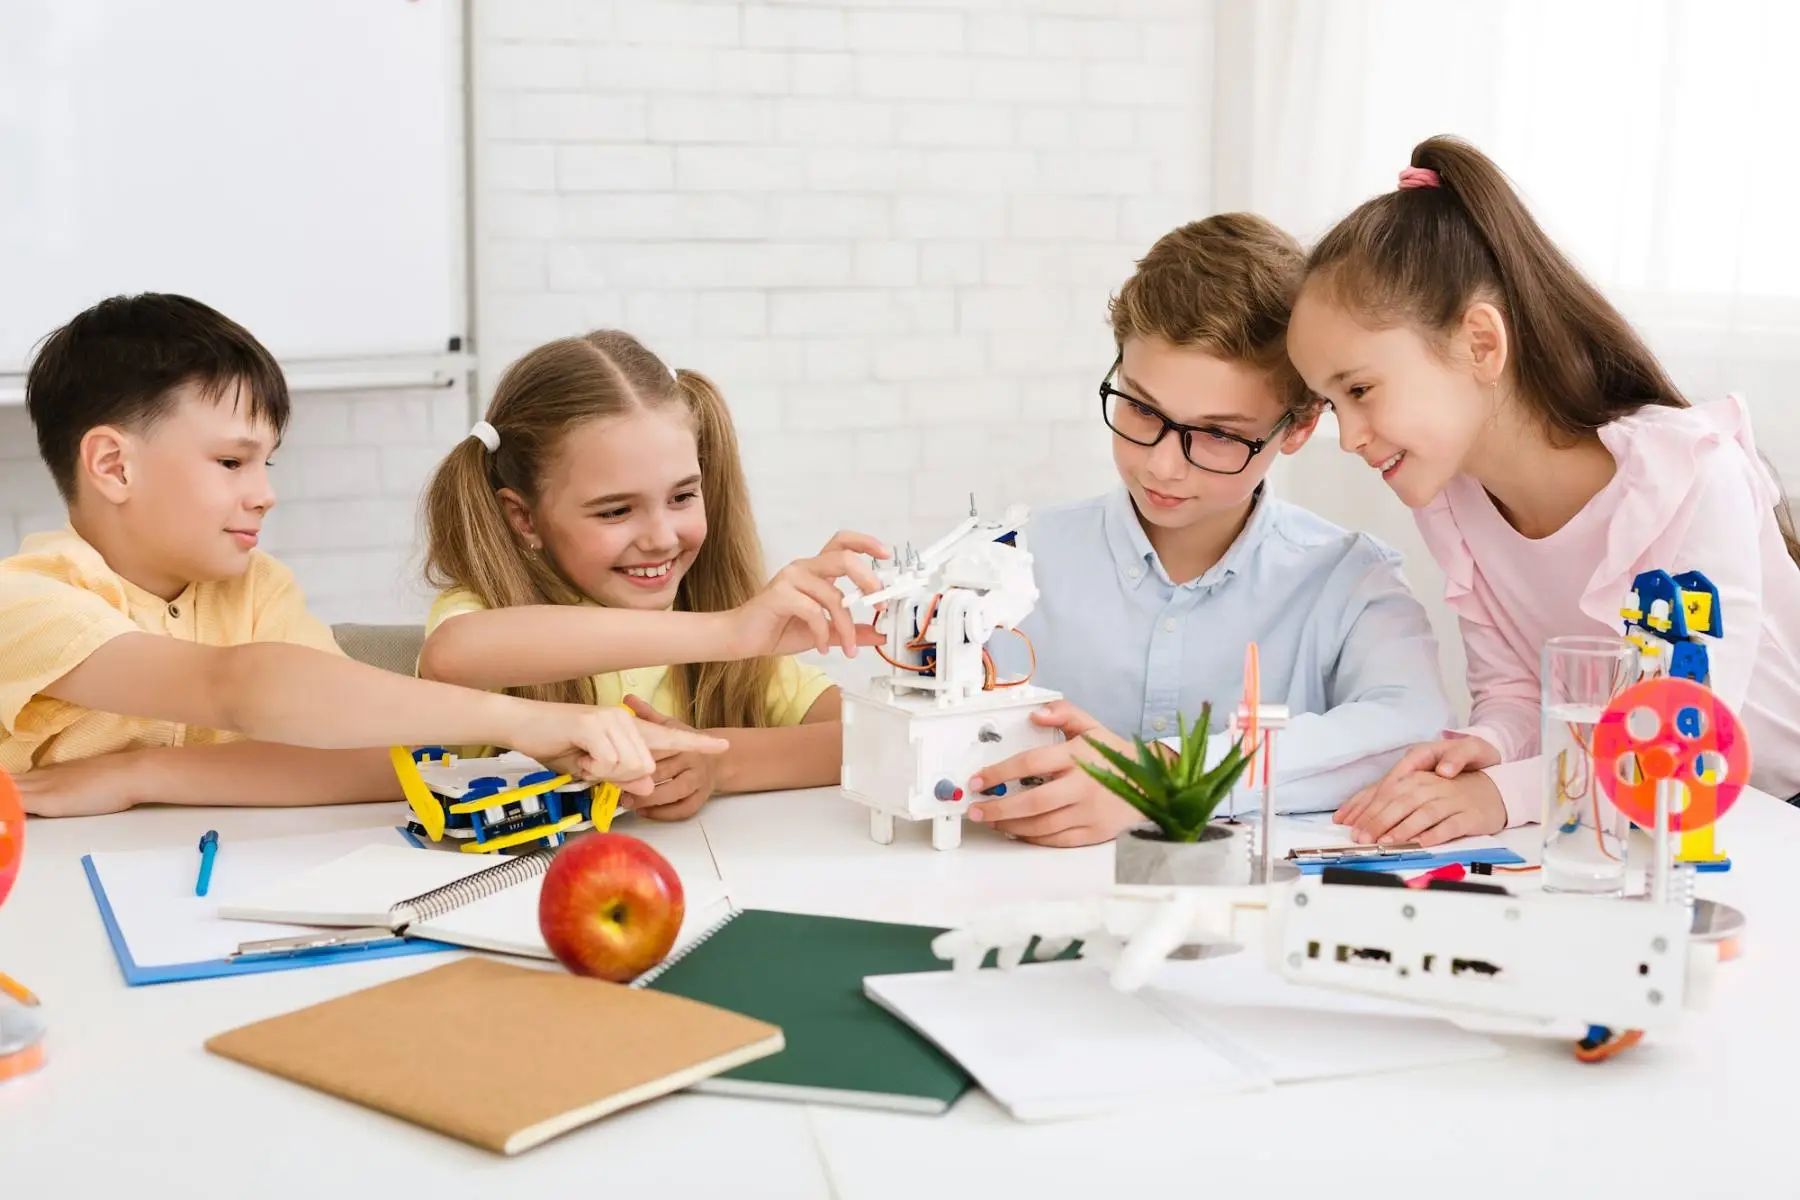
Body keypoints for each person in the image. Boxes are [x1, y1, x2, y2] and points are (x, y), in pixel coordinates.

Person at [4, 294, 729, 817]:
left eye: (269, 467)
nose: (264, 496)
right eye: (232, 463)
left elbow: (367, 759)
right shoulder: (27, 602)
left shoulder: (255, 590)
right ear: (113, 466)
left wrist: (142, 774)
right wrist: (528, 724)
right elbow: (237, 686)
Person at [1286, 135, 1800, 843]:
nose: (1348, 436)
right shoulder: (1452, 499)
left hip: (1768, 814)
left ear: (1481, 343)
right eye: (1332, 404)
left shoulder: (1687, 476)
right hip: (1648, 833)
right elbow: (1518, 691)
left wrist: (1500, 795)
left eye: (1362, 389)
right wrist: (1487, 749)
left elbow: (1682, 744)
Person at [967, 214, 1455, 848]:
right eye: (1142, 409)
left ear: (1301, 427)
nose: (1162, 464)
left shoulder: (1348, 579)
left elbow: (1409, 725)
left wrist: (1162, 779)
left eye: (1220, 434)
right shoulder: (1008, 561)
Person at [417, 329, 888, 823]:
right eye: (616, 511)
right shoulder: (485, 610)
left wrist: (717, 763)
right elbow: (453, 654)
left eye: (682, 496)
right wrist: (728, 632)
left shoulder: (713, 624)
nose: (661, 538)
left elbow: (868, 737)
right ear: (524, 517)